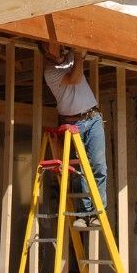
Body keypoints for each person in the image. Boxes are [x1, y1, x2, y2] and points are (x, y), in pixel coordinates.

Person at [40, 41, 107, 227]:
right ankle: (83, 214)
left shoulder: (70, 57)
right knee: (79, 171)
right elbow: (75, 78)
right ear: (45, 51)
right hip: (73, 123)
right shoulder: (50, 72)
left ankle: (97, 212)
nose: (56, 46)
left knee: (99, 166)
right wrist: (77, 55)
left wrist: (77, 47)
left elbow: (83, 46)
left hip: (93, 118)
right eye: (50, 45)